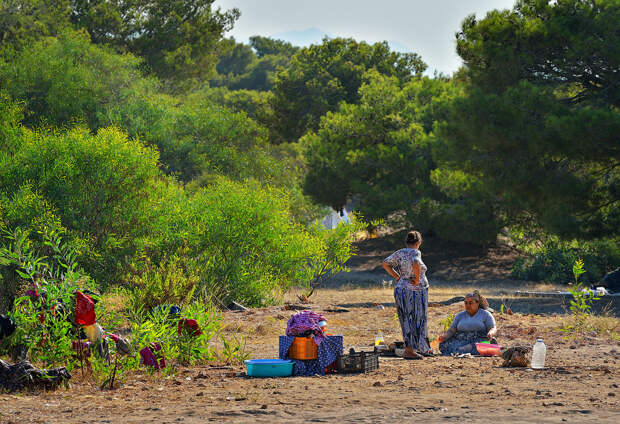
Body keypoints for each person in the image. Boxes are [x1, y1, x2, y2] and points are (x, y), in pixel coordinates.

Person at [382, 230, 431, 359]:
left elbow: (385, 263)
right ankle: (416, 348)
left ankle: (413, 348)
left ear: (406, 242)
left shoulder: (400, 252)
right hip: (416, 290)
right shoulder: (416, 252)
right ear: (419, 242)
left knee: (406, 319)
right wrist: (415, 277)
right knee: (419, 318)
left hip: (401, 289)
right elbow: (415, 262)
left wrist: (397, 276)